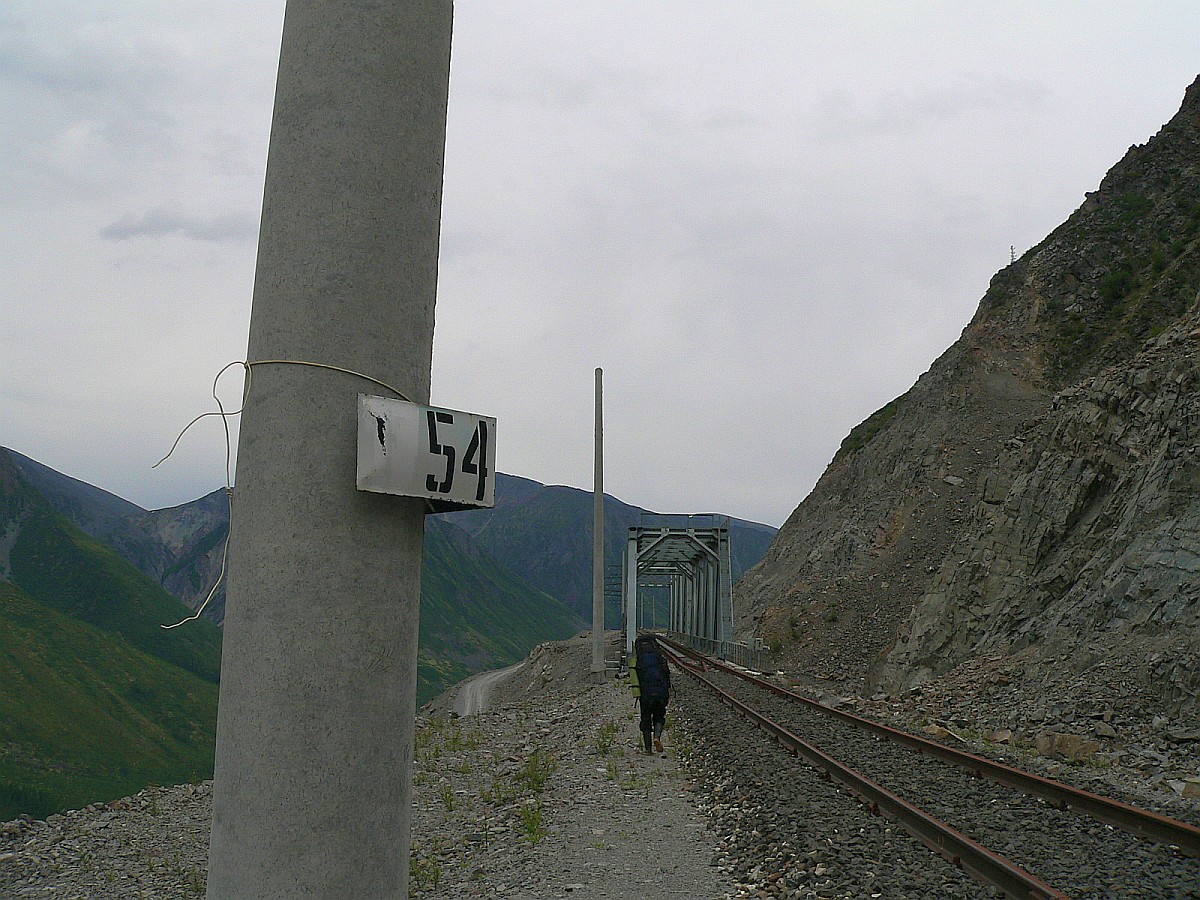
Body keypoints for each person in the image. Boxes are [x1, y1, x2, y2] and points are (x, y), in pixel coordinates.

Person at [629, 633, 671, 754]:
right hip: (660, 692)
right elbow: (666, 674)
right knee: (659, 716)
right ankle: (657, 737)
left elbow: (634, 676)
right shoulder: (659, 657)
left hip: (646, 694)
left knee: (646, 719)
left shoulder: (640, 659)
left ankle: (648, 749)